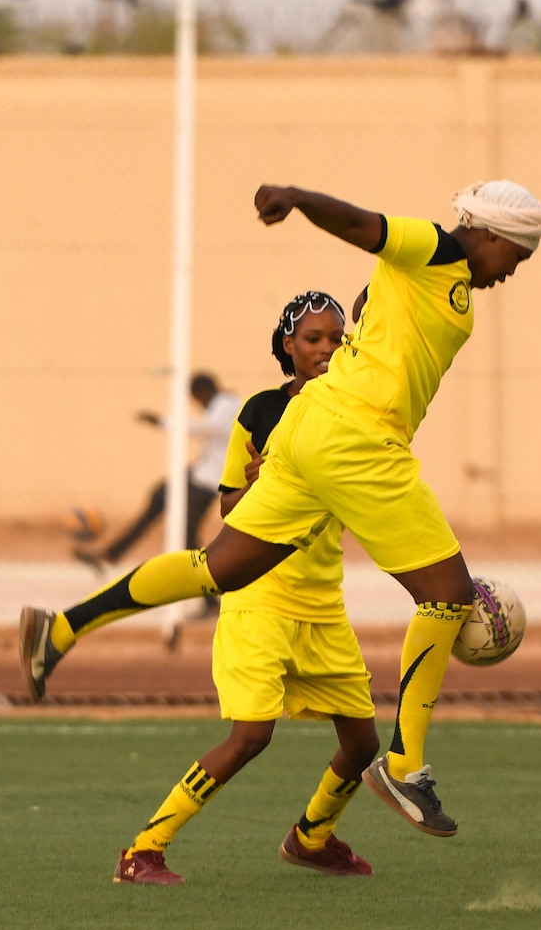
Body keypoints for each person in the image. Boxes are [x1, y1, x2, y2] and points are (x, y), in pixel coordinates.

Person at [20, 180, 541, 842]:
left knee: (221, 568)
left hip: (310, 429)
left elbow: (373, 297)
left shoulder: (441, 285)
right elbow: (364, 223)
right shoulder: (437, 246)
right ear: (494, 235)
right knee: (447, 594)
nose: (514, 272)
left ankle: (63, 627)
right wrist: (298, 198)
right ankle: (405, 763)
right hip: (360, 438)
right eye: (518, 257)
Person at [116, 290, 378, 885]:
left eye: (338, 339)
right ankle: (143, 850)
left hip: (322, 605)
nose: (326, 350)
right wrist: (259, 483)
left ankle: (312, 838)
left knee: (362, 743)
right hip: (259, 599)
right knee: (251, 737)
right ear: (289, 345)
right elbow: (231, 506)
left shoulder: (354, 411)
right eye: (313, 339)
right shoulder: (259, 412)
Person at [77, 373, 239, 570]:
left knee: (186, 534)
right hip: (198, 476)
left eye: (196, 399)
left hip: (207, 483)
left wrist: (163, 421)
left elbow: (207, 428)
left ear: (202, 392)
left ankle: (210, 588)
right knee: (159, 497)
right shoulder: (222, 404)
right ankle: (112, 553)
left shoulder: (226, 405)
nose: (198, 404)